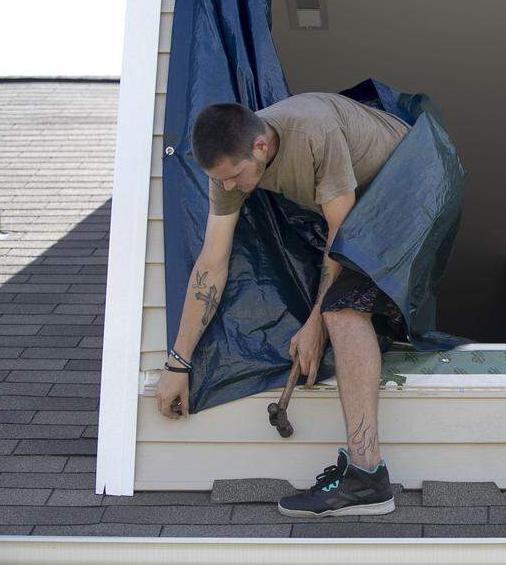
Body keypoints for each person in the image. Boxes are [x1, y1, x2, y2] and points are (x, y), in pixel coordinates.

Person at [155, 92, 411, 518]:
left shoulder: (313, 130)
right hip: (362, 200)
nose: (229, 187)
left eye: (235, 176)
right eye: (221, 180)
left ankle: (368, 478)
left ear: (260, 147)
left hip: (413, 177)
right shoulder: (228, 170)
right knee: (336, 304)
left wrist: (314, 327)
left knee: (341, 310)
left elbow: (343, 239)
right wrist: (177, 363)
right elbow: (211, 264)